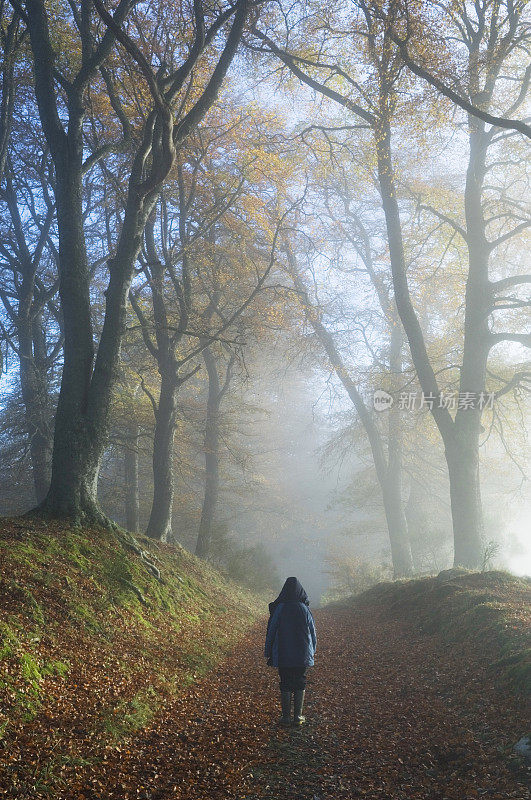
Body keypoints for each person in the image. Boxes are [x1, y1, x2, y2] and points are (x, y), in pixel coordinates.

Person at [264, 577, 317, 727]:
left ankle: (286, 717)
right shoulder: (304, 608)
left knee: (285, 682)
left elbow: (272, 630)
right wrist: (313, 650)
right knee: (300, 681)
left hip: (283, 653)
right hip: (302, 654)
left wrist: (268, 650)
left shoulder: (280, 608)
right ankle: (298, 716)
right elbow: (313, 632)